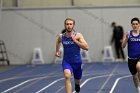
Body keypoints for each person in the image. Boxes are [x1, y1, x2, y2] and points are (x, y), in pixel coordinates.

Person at [55, 18, 89, 93]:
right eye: (67, 24)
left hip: (77, 62)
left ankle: (77, 85)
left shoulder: (78, 35)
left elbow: (86, 47)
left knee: (77, 79)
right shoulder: (62, 36)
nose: (69, 26)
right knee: (67, 76)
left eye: (70, 24)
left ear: (73, 25)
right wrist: (57, 51)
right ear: (65, 25)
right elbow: (58, 41)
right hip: (67, 61)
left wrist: (75, 41)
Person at [122, 17, 140, 93]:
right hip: (131, 59)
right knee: (134, 77)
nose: (135, 25)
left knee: (139, 66)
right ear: (131, 25)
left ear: (139, 25)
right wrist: (126, 39)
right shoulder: (128, 34)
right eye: (133, 24)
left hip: (139, 57)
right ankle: (138, 89)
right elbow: (123, 46)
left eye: (136, 24)